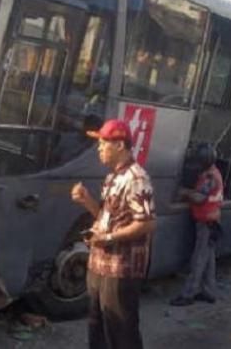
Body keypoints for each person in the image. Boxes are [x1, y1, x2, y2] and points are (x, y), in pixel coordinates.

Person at [70, 119, 157, 349]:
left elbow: (146, 224)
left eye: (103, 144)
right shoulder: (112, 178)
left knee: (121, 332)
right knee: (97, 327)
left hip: (121, 269)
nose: (99, 149)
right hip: (99, 265)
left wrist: (108, 238)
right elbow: (106, 218)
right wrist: (86, 200)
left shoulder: (137, 179)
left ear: (119, 145)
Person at [170, 143, 223, 306]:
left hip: (206, 222)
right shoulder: (213, 172)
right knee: (208, 259)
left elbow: (200, 198)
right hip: (210, 220)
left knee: (198, 259)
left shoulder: (209, 177)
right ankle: (209, 292)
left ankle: (188, 294)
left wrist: (184, 192)